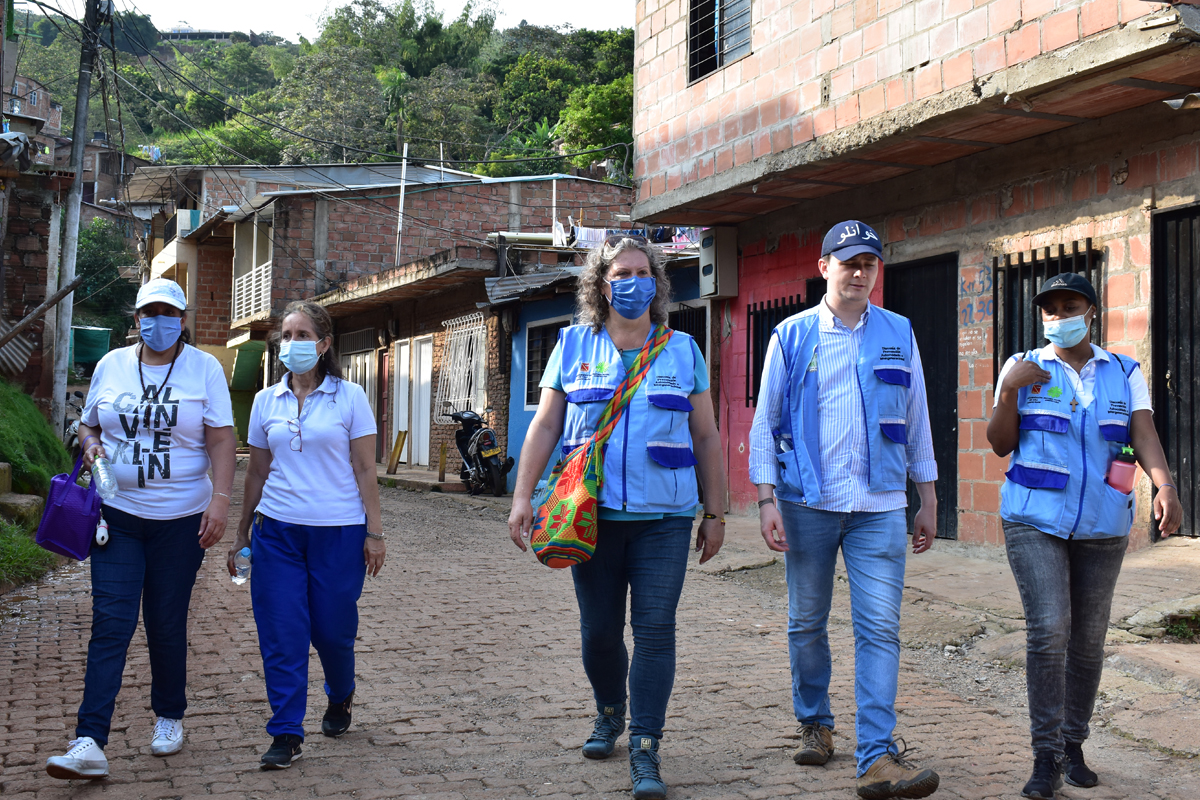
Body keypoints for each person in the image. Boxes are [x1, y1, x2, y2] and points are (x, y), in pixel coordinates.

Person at [507, 235, 726, 800]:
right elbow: (546, 426)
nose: (633, 281)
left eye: (643, 272)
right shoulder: (573, 345)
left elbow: (705, 435)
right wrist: (522, 495)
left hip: (666, 518)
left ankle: (647, 748)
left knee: (655, 631)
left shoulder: (683, 351)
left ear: (656, 283)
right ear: (603, 285)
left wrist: (716, 511)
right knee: (600, 632)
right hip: (590, 517)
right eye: (622, 273)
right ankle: (610, 711)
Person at [750, 221, 941, 800]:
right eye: (849, 263)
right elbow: (766, 422)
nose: (859, 274)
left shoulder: (899, 332)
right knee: (806, 622)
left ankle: (876, 757)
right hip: (806, 503)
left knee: (880, 628)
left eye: (869, 265)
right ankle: (816, 722)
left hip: (879, 506)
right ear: (824, 265)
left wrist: (927, 496)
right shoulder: (792, 335)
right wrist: (765, 502)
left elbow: (916, 418)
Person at [986, 272, 1183, 800]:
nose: (1058, 317)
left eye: (1069, 306)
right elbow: (1000, 443)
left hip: (1103, 522)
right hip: (1034, 519)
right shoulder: (1023, 367)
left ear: (1091, 312)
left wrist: (1165, 486)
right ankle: (1044, 754)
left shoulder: (1124, 370)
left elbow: (1141, 431)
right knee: (1049, 629)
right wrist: (1009, 389)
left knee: (1089, 641)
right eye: (1050, 310)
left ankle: (1073, 745)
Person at [46, 278, 237, 780]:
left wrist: (220, 500)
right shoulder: (111, 365)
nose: (159, 322)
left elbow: (221, 440)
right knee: (112, 622)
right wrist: (90, 445)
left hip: (181, 521)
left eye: (168, 313)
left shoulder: (205, 369)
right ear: (136, 321)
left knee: (166, 623)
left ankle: (169, 716)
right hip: (118, 515)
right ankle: (89, 739)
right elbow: (88, 423)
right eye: (149, 313)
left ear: (183, 319)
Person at [230, 300, 385, 770]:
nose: (292, 343)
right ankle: (286, 732)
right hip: (275, 533)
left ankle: (341, 694)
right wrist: (241, 534)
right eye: (286, 335)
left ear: (323, 344)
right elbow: (256, 473)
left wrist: (375, 533)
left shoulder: (349, 397)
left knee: (332, 632)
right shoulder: (264, 401)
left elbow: (364, 469)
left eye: (302, 335)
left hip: (338, 533)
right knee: (283, 633)